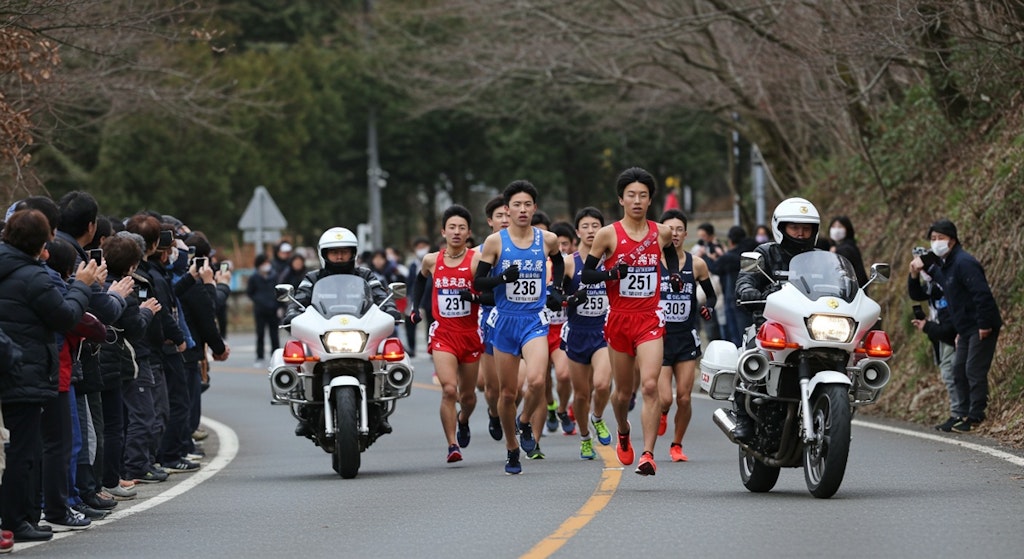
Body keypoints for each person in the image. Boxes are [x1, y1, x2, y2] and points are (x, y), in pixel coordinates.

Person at [0, 209, 101, 541]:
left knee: (22, 449)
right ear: (43, 242)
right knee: (24, 451)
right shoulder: (35, 277)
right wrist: (81, 286)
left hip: (12, 365)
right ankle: (17, 521)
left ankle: (25, 516)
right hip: (24, 370)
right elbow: (66, 316)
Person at [581, 167, 676, 476]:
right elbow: (588, 273)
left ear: (650, 200)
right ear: (621, 199)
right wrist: (611, 274)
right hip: (619, 320)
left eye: (643, 195)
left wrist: (673, 274)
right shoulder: (608, 234)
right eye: (631, 195)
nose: (637, 200)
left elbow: (671, 254)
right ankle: (622, 429)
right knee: (623, 394)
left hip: (649, 318)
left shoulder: (660, 232)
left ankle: (647, 454)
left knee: (650, 385)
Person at [473, 181, 564, 474]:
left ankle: (524, 423)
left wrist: (556, 289)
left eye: (527, 205)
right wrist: (502, 279)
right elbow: (479, 283)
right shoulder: (496, 242)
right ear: (507, 210)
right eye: (516, 205)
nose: (522, 210)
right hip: (504, 321)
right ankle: (511, 447)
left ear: (534, 208)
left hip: (534, 320)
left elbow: (559, 263)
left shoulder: (547, 239)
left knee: (537, 381)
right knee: (507, 394)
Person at [284, 227, 402, 437]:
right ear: (324, 254)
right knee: (303, 358)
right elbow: (299, 299)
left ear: (353, 253)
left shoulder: (365, 275)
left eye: (344, 251)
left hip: (359, 330)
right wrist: (291, 312)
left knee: (383, 356)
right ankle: (306, 407)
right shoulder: (312, 278)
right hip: (325, 332)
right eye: (334, 252)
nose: (339, 256)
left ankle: (378, 409)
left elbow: (380, 295)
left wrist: (391, 309)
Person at [733, 197, 822, 441]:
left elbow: (841, 284)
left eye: (807, 228)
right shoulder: (765, 253)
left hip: (810, 326)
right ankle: (743, 416)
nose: (801, 233)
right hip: (771, 324)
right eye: (795, 227)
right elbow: (746, 279)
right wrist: (749, 291)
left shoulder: (820, 257)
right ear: (781, 228)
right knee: (752, 357)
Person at [409, 205, 484, 463]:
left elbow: (489, 294)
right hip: (443, 335)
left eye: (461, 228)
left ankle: (463, 419)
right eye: (451, 227)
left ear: (468, 233)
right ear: (443, 231)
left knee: (468, 396)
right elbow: (419, 281)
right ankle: (452, 445)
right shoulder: (432, 260)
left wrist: (474, 297)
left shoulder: (476, 261)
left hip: (470, 334)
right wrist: (415, 307)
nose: (456, 232)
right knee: (449, 390)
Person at [913, 219, 1001, 433]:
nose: (936, 243)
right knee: (957, 369)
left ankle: (976, 415)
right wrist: (922, 268)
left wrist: (984, 324)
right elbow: (944, 283)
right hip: (965, 329)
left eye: (940, 238)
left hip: (981, 325)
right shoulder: (948, 265)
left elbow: (982, 295)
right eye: (933, 239)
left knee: (973, 369)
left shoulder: (964, 262)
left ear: (952, 240)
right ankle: (959, 414)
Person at [656, 209, 715, 463]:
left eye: (679, 229)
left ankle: (677, 444)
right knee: (666, 398)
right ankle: (661, 412)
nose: (675, 234)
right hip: (658, 337)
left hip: (686, 336)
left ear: (686, 234)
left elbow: (711, 295)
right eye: (670, 229)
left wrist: (707, 307)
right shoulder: (652, 262)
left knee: (684, 395)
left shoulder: (697, 264)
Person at [563, 207, 613, 460]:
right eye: (586, 226)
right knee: (581, 394)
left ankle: (598, 417)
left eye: (596, 226)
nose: (591, 231)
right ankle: (584, 436)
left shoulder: (610, 260)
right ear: (577, 232)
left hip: (602, 331)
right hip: (577, 332)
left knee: (602, 384)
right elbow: (555, 296)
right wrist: (571, 298)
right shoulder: (570, 263)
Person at [907, 249, 959, 431]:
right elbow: (916, 294)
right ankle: (958, 413)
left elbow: (949, 328)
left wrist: (927, 327)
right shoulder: (933, 285)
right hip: (943, 334)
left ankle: (959, 414)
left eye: (922, 264)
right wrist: (913, 275)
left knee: (950, 373)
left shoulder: (944, 285)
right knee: (949, 372)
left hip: (953, 336)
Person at [475, 196, 511, 441]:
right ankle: (493, 412)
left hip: (522, 319)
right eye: (500, 216)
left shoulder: (528, 247)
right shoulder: (479, 253)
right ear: (490, 221)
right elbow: (477, 288)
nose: (505, 220)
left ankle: (514, 421)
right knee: (491, 387)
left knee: (516, 386)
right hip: (490, 319)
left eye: (509, 215)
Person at [710, 225, 756, 346]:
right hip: (749, 297)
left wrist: (717, 256)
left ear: (730, 240)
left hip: (733, 298)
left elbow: (714, 268)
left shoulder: (729, 256)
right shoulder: (750, 253)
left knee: (736, 335)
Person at [248, 254, 280, 367]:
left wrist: (279, 306)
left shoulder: (274, 276)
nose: (266, 265)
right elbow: (250, 292)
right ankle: (259, 356)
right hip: (260, 310)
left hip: (273, 309)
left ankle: (276, 355)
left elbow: (279, 292)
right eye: (264, 263)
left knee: (274, 334)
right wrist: (258, 300)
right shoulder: (254, 277)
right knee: (260, 334)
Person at [404, 236, 432, 357]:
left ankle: (430, 347)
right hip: (414, 299)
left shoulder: (432, 262)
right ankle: (411, 348)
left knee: (430, 324)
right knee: (410, 323)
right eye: (418, 247)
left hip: (429, 299)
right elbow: (410, 283)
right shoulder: (413, 265)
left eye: (423, 247)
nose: (421, 250)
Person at [828, 216, 868, 287]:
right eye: (834, 226)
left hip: (853, 289)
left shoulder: (848, 248)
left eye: (840, 227)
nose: (836, 230)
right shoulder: (831, 246)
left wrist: (836, 251)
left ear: (847, 229)